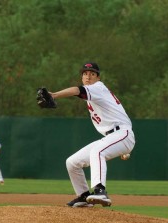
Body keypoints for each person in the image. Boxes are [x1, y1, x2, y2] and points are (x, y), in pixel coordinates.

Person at [50, 62, 136, 207]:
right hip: (113, 137)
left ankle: (100, 191)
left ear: (98, 77)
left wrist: (54, 95)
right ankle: (84, 196)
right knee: (72, 162)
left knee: (97, 151)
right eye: (85, 73)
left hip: (122, 132)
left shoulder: (98, 88)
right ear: (82, 77)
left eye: (92, 74)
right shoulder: (94, 94)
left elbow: (77, 90)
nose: (88, 76)